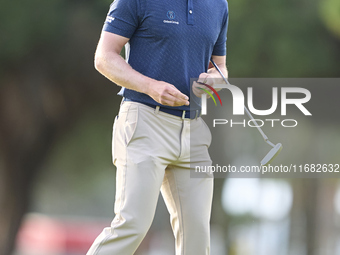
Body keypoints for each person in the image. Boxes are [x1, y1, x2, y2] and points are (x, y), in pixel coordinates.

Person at [87, 0, 229, 254]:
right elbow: (104, 57)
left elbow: (219, 67)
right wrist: (150, 86)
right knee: (133, 226)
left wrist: (215, 81)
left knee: (197, 239)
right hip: (145, 121)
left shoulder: (218, 4)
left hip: (193, 130)